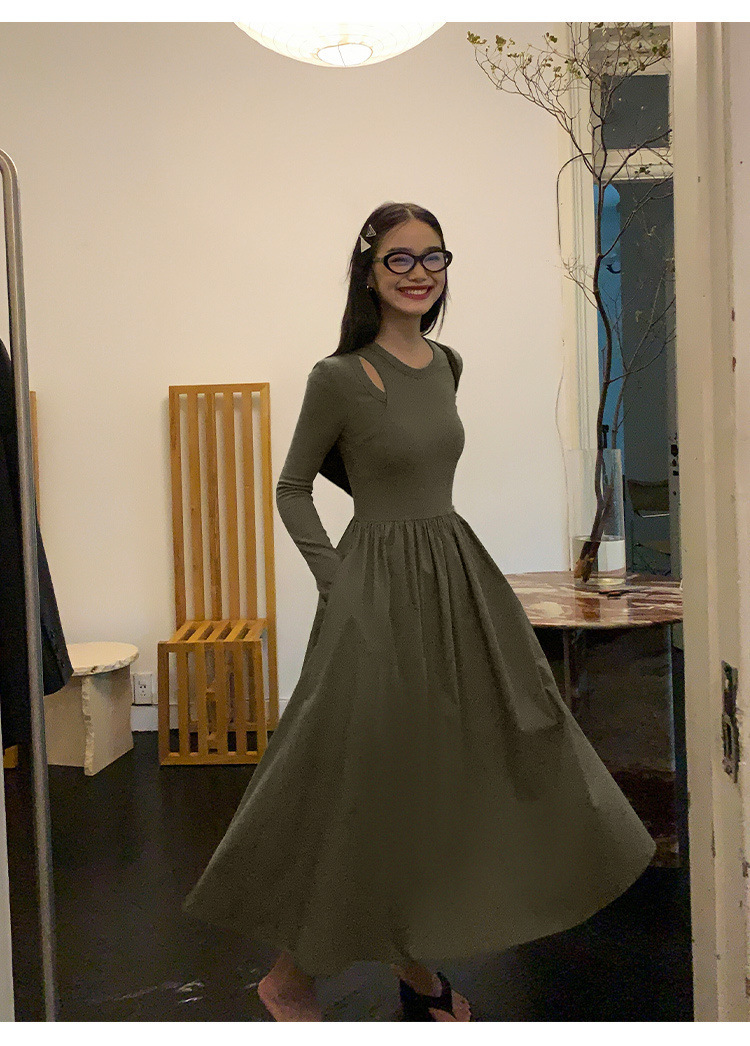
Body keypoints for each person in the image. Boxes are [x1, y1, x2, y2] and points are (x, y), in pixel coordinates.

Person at [182, 201, 656, 1022]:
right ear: (368, 272)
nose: (418, 273)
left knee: (459, 765)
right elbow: (294, 487)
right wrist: (337, 583)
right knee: (369, 780)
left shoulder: (447, 364)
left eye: (432, 256)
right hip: (373, 592)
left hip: (453, 576)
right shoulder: (338, 377)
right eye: (398, 258)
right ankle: (294, 978)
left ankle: (407, 966)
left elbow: (412, 460)